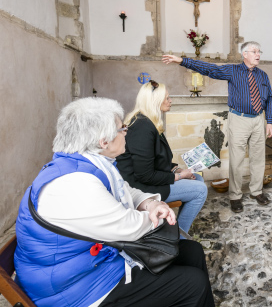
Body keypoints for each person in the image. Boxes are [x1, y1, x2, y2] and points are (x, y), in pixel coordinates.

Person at [14, 97, 215, 307]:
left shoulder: (85, 164)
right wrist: (159, 215)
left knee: (192, 251)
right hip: (77, 289)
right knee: (194, 284)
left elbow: (126, 189)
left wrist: (150, 203)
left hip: (89, 265)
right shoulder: (74, 184)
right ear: (104, 141)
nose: (126, 132)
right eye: (122, 128)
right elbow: (129, 228)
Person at [162, 41, 272, 213]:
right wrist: (182, 61)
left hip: (259, 120)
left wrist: (270, 121)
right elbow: (209, 69)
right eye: (254, 51)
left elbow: (270, 98)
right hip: (239, 119)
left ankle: (256, 191)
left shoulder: (263, 75)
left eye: (259, 51)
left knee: (258, 159)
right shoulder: (233, 70)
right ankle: (235, 196)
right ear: (244, 54)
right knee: (236, 161)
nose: (258, 54)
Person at [116, 80, 208, 234]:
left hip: (147, 178)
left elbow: (157, 159)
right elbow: (144, 175)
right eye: (167, 98)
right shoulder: (142, 127)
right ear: (155, 101)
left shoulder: (148, 121)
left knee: (197, 179)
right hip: (140, 186)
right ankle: (178, 236)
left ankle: (174, 224)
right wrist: (178, 176)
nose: (170, 100)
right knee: (201, 190)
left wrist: (177, 169)